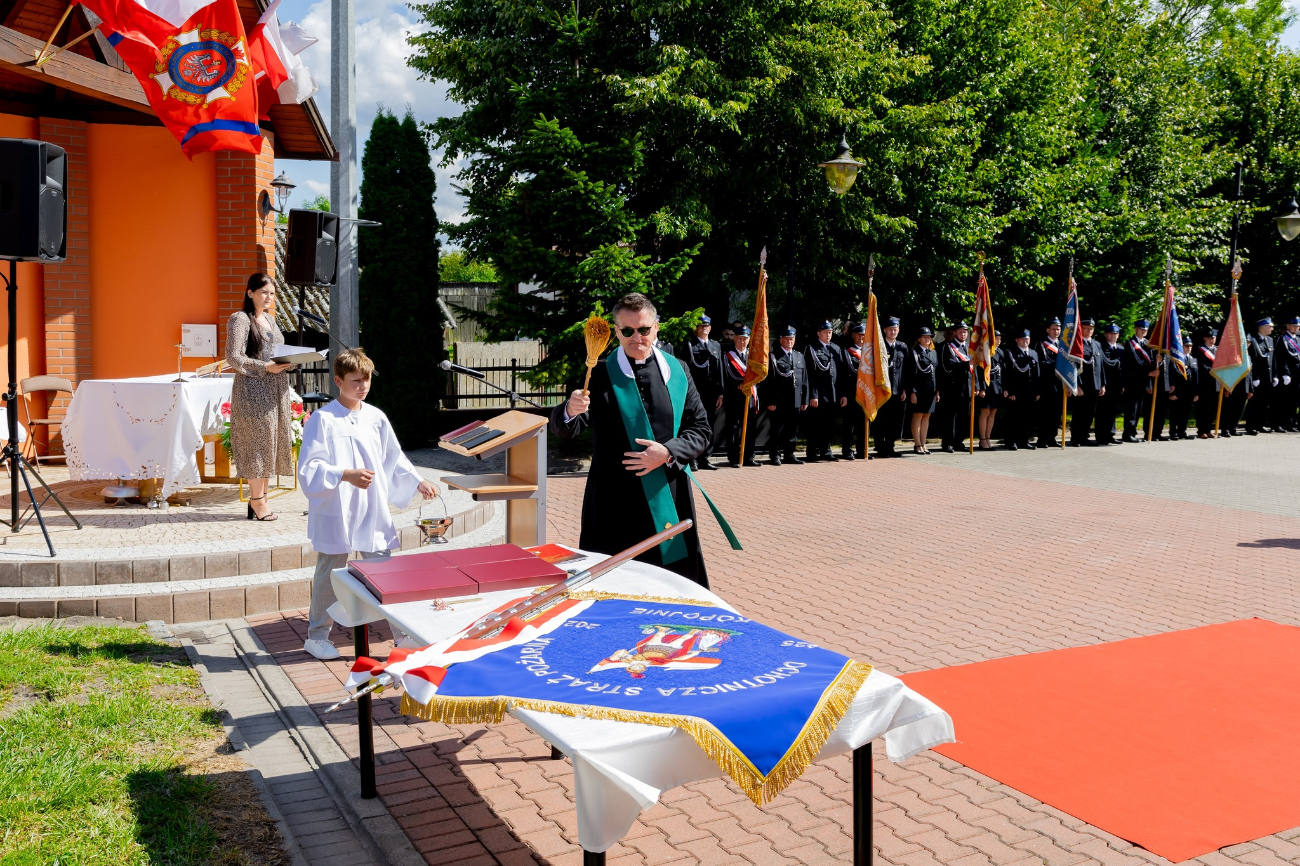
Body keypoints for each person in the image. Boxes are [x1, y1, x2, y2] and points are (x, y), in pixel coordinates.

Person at [551, 292, 715, 587]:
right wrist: (568, 411)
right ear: (616, 332)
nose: (636, 337)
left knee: (672, 586)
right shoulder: (598, 373)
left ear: (656, 328)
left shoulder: (677, 370)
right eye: (627, 331)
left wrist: (667, 451)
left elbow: (701, 430)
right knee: (612, 587)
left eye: (643, 329)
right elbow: (567, 430)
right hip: (614, 502)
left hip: (667, 492)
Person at [297, 348, 439, 660]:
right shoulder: (323, 420)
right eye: (355, 380)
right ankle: (316, 635)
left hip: (371, 506)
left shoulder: (376, 417)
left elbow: (394, 457)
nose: (362, 386)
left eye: (366, 380)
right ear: (338, 380)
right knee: (330, 571)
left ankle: (403, 637)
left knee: (384, 571)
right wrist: (344, 474)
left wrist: (418, 480)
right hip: (336, 506)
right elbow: (308, 468)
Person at [226, 273, 294, 521]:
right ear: (250, 292)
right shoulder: (240, 319)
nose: (268, 297)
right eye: (264, 292)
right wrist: (264, 367)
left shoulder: (270, 320)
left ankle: (261, 498)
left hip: (276, 388)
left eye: (272, 293)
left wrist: (292, 362)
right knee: (257, 443)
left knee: (270, 441)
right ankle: (256, 501)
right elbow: (233, 357)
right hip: (253, 389)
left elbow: (277, 353)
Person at [677, 315, 724, 469]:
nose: (704, 328)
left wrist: (720, 393)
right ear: (696, 328)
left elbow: (720, 371)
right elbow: (685, 368)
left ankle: (705, 458)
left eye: (707, 326)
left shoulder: (715, 346)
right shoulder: (689, 345)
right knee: (692, 423)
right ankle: (693, 459)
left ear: (710, 328)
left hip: (711, 393)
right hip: (695, 392)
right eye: (701, 326)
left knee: (709, 424)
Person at [760, 326, 808, 465]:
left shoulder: (799, 356)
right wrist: (770, 400)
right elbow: (768, 382)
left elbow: (804, 379)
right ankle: (775, 455)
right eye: (786, 339)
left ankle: (789, 454)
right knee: (777, 429)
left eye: (791, 339)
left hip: (796, 400)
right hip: (779, 400)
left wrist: (804, 398)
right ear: (781, 339)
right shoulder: (773, 356)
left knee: (793, 429)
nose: (789, 341)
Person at [804, 321, 845, 461]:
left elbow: (840, 374)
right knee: (815, 424)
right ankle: (812, 451)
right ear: (818, 333)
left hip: (833, 393)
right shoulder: (811, 349)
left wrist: (843, 394)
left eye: (830, 332)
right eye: (826, 332)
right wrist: (813, 394)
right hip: (819, 394)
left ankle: (825, 450)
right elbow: (809, 375)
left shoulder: (836, 349)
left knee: (830, 424)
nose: (828, 335)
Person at [722, 325, 760, 467]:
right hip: (734, 396)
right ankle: (733, 458)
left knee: (750, 427)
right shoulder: (728, 356)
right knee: (733, 428)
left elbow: (759, 376)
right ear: (735, 339)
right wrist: (738, 384)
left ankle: (749, 457)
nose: (742, 341)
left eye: (745, 339)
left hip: (750, 397)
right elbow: (727, 375)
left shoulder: (754, 356)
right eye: (739, 338)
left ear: (749, 340)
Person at [874, 317, 908, 458]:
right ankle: (880, 446)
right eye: (891, 329)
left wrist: (905, 389)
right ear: (885, 330)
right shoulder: (879, 346)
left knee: (895, 421)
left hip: (897, 390)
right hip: (882, 389)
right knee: (881, 420)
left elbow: (906, 370)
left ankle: (890, 446)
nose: (893, 331)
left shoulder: (902, 347)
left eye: (896, 329)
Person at [936, 322, 972, 453]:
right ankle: (948, 443)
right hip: (953, 388)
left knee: (964, 417)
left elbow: (975, 370)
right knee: (951, 417)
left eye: (965, 332)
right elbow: (949, 365)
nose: (963, 334)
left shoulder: (969, 347)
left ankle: (959, 441)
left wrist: (978, 386)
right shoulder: (948, 347)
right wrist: (967, 363)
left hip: (967, 388)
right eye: (961, 332)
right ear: (955, 333)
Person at [1002, 328, 1039, 450]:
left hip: (1030, 390)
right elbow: (1007, 373)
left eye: (1027, 339)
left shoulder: (1033, 353)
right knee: (1013, 417)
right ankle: (1010, 441)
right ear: (1016, 340)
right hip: (1016, 391)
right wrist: (1010, 391)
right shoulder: (1011, 353)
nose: (1025, 341)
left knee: (1026, 417)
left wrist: (1037, 391)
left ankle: (1024, 441)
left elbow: (1037, 374)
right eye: (1022, 339)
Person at [1071, 318, 1104, 446]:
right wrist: (1076, 385)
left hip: (1094, 384)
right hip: (1082, 385)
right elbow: (1074, 365)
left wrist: (1102, 384)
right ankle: (1076, 438)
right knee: (1079, 412)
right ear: (1081, 329)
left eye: (1091, 329)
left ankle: (1084, 437)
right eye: (1086, 328)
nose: (1089, 331)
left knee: (1090, 413)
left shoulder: (1097, 344)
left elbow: (1101, 366)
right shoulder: (1077, 344)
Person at [906, 327, 938, 454]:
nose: (927, 339)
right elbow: (910, 374)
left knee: (927, 416)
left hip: (931, 390)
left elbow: (937, 373)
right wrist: (912, 391)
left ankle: (924, 444)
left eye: (929, 337)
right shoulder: (914, 352)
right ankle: (917, 444)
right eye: (924, 337)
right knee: (918, 416)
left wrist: (938, 391)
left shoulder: (933, 352)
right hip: (919, 390)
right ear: (919, 339)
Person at [838, 323, 868, 459]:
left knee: (864, 423)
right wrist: (843, 394)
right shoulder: (846, 352)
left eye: (863, 334)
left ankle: (862, 450)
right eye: (859, 334)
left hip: (866, 393)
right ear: (853, 336)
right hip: (851, 393)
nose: (861, 337)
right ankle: (847, 450)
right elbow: (842, 376)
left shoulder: (870, 354)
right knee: (849, 424)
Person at [1123, 320, 1156, 442]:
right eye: (1141, 329)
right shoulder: (1129, 343)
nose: (1143, 331)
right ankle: (1128, 433)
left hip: (1144, 382)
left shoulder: (1148, 344)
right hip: (1133, 381)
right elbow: (1133, 363)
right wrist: (1148, 372)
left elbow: (1152, 362)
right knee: (1131, 409)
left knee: (1138, 409)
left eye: (1146, 330)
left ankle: (1133, 432)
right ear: (1135, 329)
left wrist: (1159, 361)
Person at [1095, 323, 1125, 444]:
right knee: (1102, 411)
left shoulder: (1121, 349)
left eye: (1115, 334)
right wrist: (1102, 383)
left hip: (1117, 385)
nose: (1113, 336)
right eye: (1110, 333)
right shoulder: (1101, 347)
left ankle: (1110, 435)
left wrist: (1123, 384)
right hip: (1106, 384)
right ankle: (1101, 436)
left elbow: (1124, 369)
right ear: (1106, 335)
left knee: (1113, 411)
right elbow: (1100, 368)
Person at [1245, 317, 1276, 435]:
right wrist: (1254, 377)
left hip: (1268, 377)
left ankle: (1260, 424)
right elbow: (1252, 361)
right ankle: (1251, 426)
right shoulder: (1253, 340)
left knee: (1264, 402)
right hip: (1257, 378)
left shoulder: (1270, 340)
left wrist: (1275, 375)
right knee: (1255, 403)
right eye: (1270, 326)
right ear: (1263, 327)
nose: (1272, 328)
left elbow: (1273, 360)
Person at [1036, 318, 1064, 447]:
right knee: (1045, 413)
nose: (1056, 331)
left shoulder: (1063, 345)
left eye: (1058, 329)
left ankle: (1052, 437)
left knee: (1056, 412)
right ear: (1048, 330)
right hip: (1046, 383)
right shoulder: (1041, 344)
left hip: (1059, 383)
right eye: (1053, 329)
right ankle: (1042, 439)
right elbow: (1040, 363)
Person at [975, 331, 1003, 450]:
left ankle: (988, 438)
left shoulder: (1000, 352)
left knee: (992, 413)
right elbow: (980, 371)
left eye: (1000, 339)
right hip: (986, 387)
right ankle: (982, 439)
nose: (998, 341)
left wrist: (1004, 388)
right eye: (996, 338)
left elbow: (1002, 371)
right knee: (985, 413)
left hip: (997, 387)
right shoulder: (984, 352)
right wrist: (981, 387)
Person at [1168, 335, 1197, 440]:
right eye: (1186, 346)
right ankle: (1173, 432)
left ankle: (1182, 432)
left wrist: (1195, 393)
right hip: (1177, 391)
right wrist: (1171, 393)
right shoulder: (1175, 360)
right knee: (1175, 413)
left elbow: (1195, 378)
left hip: (1188, 392)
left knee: (1185, 413)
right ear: (1181, 346)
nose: (1188, 348)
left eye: (1190, 346)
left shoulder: (1193, 359)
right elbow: (1171, 376)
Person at [1273, 316, 1300, 432]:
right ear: (1288, 326)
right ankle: (1279, 423)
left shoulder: (1298, 339)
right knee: (1283, 400)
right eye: (1293, 325)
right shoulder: (1282, 338)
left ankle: (1290, 423)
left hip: (1298, 374)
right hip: (1288, 374)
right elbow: (1280, 357)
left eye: (1298, 326)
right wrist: (1284, 373)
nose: (1296, 328)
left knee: (1294, 400)